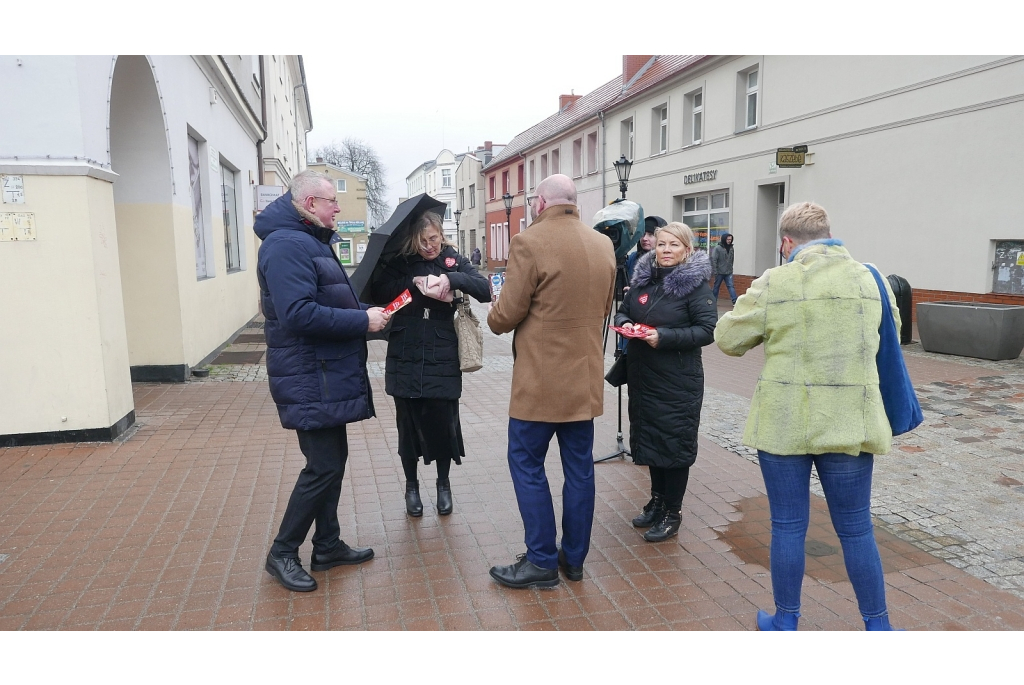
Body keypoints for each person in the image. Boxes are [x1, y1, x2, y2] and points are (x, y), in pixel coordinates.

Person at [715, 202, 900, 631]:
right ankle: (878, 627)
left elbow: (727, 339)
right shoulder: (871, 278)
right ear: (828, 233)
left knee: (788, 526)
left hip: (784, 422)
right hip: (851, 421)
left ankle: (785, 621)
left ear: (786, 242)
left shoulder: (774, 282)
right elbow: (887, 338)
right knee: (856, 529)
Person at [255, 170, 389, 593]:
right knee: (323, 466)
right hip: (309, 375)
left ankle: (327, 545)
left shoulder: (308, 242)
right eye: (332, 201)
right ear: (310, 204)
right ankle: (282, 551)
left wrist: (376, 314)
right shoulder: (286, 245)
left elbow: (332, 301)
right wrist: (360, 320)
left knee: (331, 464)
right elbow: (298, 314)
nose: (338, 208)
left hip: (323, 373)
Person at [486, 174, 616, 588]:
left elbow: (505, 317)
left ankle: (541, 560)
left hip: (540, 384)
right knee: (580, 469)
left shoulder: (529, 242)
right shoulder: (603, 244)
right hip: (584, 379)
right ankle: (573, 559)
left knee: (526, 464)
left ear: (540, 203)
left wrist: (495, 307)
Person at [371, 212, 491, 517]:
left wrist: (450, 278)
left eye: (434, 239)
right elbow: (381, 292)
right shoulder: (402, 260)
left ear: (442, 235)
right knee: (407, 423)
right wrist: (412, 284)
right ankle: (411, 487)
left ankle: (443, 484)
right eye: (423, 241)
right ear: (415, 239)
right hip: (406, 347)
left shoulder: (452, 259)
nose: (428, 246)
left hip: (442, 349)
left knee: (443, 422)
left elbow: (482, 288)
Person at [614, 223, 717, 542]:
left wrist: (664, 337)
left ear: (687, 250)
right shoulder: (642, 281)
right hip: (644, 379)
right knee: (652, 442)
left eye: (674, 245)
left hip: (677, 381)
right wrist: (627, 324)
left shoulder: (695, 286)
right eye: (661, 244)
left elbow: (707, 330)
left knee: (674, 446)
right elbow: (621, 312)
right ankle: (657, 501)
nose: (666, 250)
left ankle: (673, 511)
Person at [710, 233, 737, 305]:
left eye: (730, 239)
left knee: (731, 286)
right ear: (724, 239)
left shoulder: (731, 248)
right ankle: (713, 301)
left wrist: (731, 268)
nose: (729, 241)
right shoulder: (718, 248)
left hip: (728, 272)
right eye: (728, 239)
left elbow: (732, 259)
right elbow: (714, 260)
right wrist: (715, 271)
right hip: (719, 272)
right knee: (716, 286)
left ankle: (735, 301)